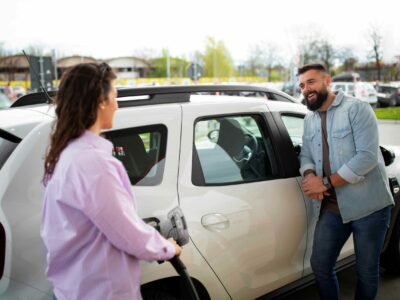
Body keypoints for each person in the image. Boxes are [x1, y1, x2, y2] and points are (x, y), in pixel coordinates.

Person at [41, 63, 181, 300]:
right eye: (115, 96)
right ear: (102, 101)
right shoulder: (94, 163)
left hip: (75, 290)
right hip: (100, 293)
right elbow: (126, 233)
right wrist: (167, 248)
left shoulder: (65, 155)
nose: (117, 105)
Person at [298, 63, 394, 300]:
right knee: (320, 265)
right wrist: (310, 175)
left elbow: (368, 157)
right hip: (332, 208)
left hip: (369, 207)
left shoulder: (357, 109)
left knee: (366, 271)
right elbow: (306, 154)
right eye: (301, 85)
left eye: (311, 82)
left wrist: (326, 183)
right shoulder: (309, 120)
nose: (305, 89)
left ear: (327, 80)